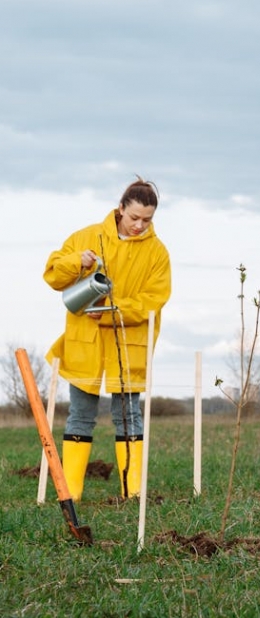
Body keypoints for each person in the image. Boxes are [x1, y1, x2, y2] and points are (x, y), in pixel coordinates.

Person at [43, 177, 172, 502]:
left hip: (130, 344)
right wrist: (78, 262)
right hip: (84, 342)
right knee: (80, 413)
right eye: (134, 218)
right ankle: (70, 492)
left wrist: (114, 312)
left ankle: (133, 493)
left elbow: (153, 300)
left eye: (147, 220)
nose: (140, 225)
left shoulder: (158, 252)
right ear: (120, 210)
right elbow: (53, 275)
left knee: (128, 415)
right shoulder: (87, 237)